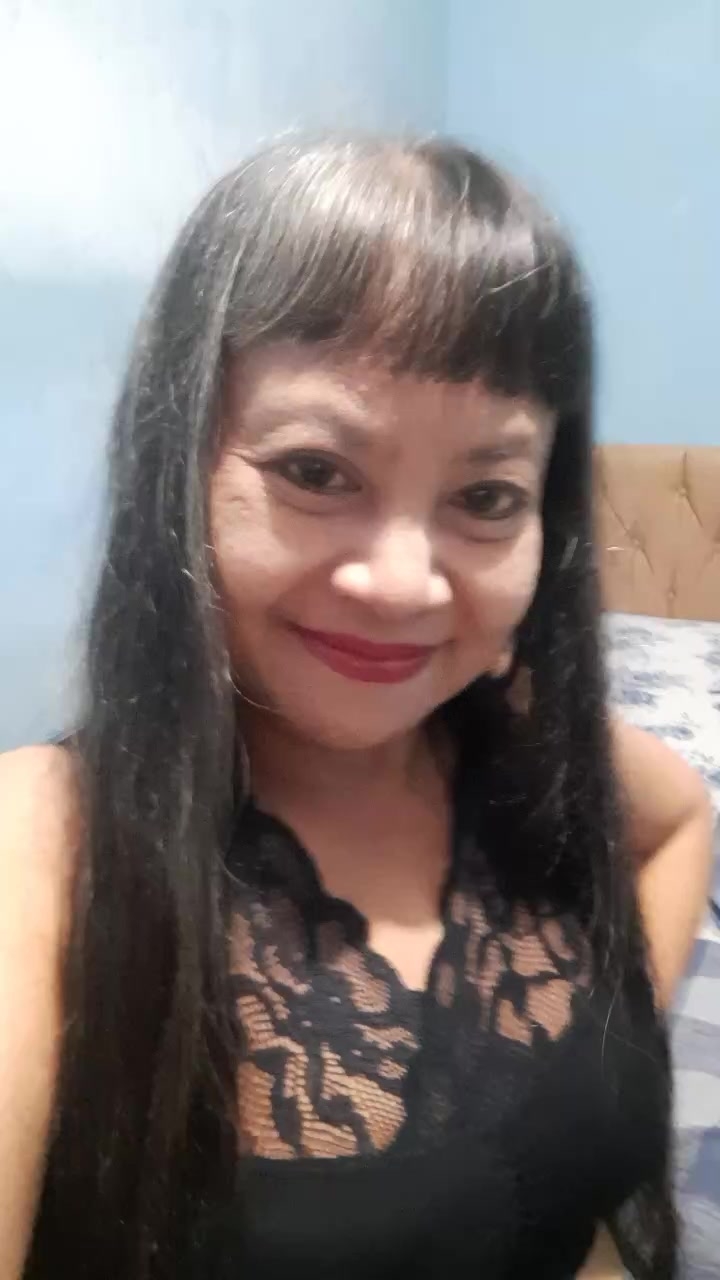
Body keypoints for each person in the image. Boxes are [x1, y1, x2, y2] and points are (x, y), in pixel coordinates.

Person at [0, 135, 712, 1280]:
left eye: (487, 496)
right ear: (184, 466)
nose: (402, 584)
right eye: (316, 471)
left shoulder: (521, 746)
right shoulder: (44, 842)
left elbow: (679, 817)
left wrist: (587, 1146)